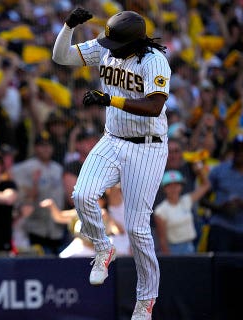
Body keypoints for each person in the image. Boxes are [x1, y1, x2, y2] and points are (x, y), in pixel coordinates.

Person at [52, 8, 170, 319]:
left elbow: (155, 106)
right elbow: (62, 57)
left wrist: (110, 100)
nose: (111, 49)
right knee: (81, 194)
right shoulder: (107, 47)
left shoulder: (154, 61)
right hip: (113, 138)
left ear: (134, 42)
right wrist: (69, 26)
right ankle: (103, 248)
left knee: (136, 229)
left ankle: (146, 300)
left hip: (147, 148)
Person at [154, 168, 210, 255]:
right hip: (174, 249)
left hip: (191, 246)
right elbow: (162, 240)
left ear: (181, 186)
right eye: (169, 185)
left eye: (176, 185)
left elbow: (206, 185)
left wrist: (199, 170)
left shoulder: (186, 200)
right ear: (164, 188)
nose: (174, 188)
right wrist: (168, 260)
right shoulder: (160, 211)